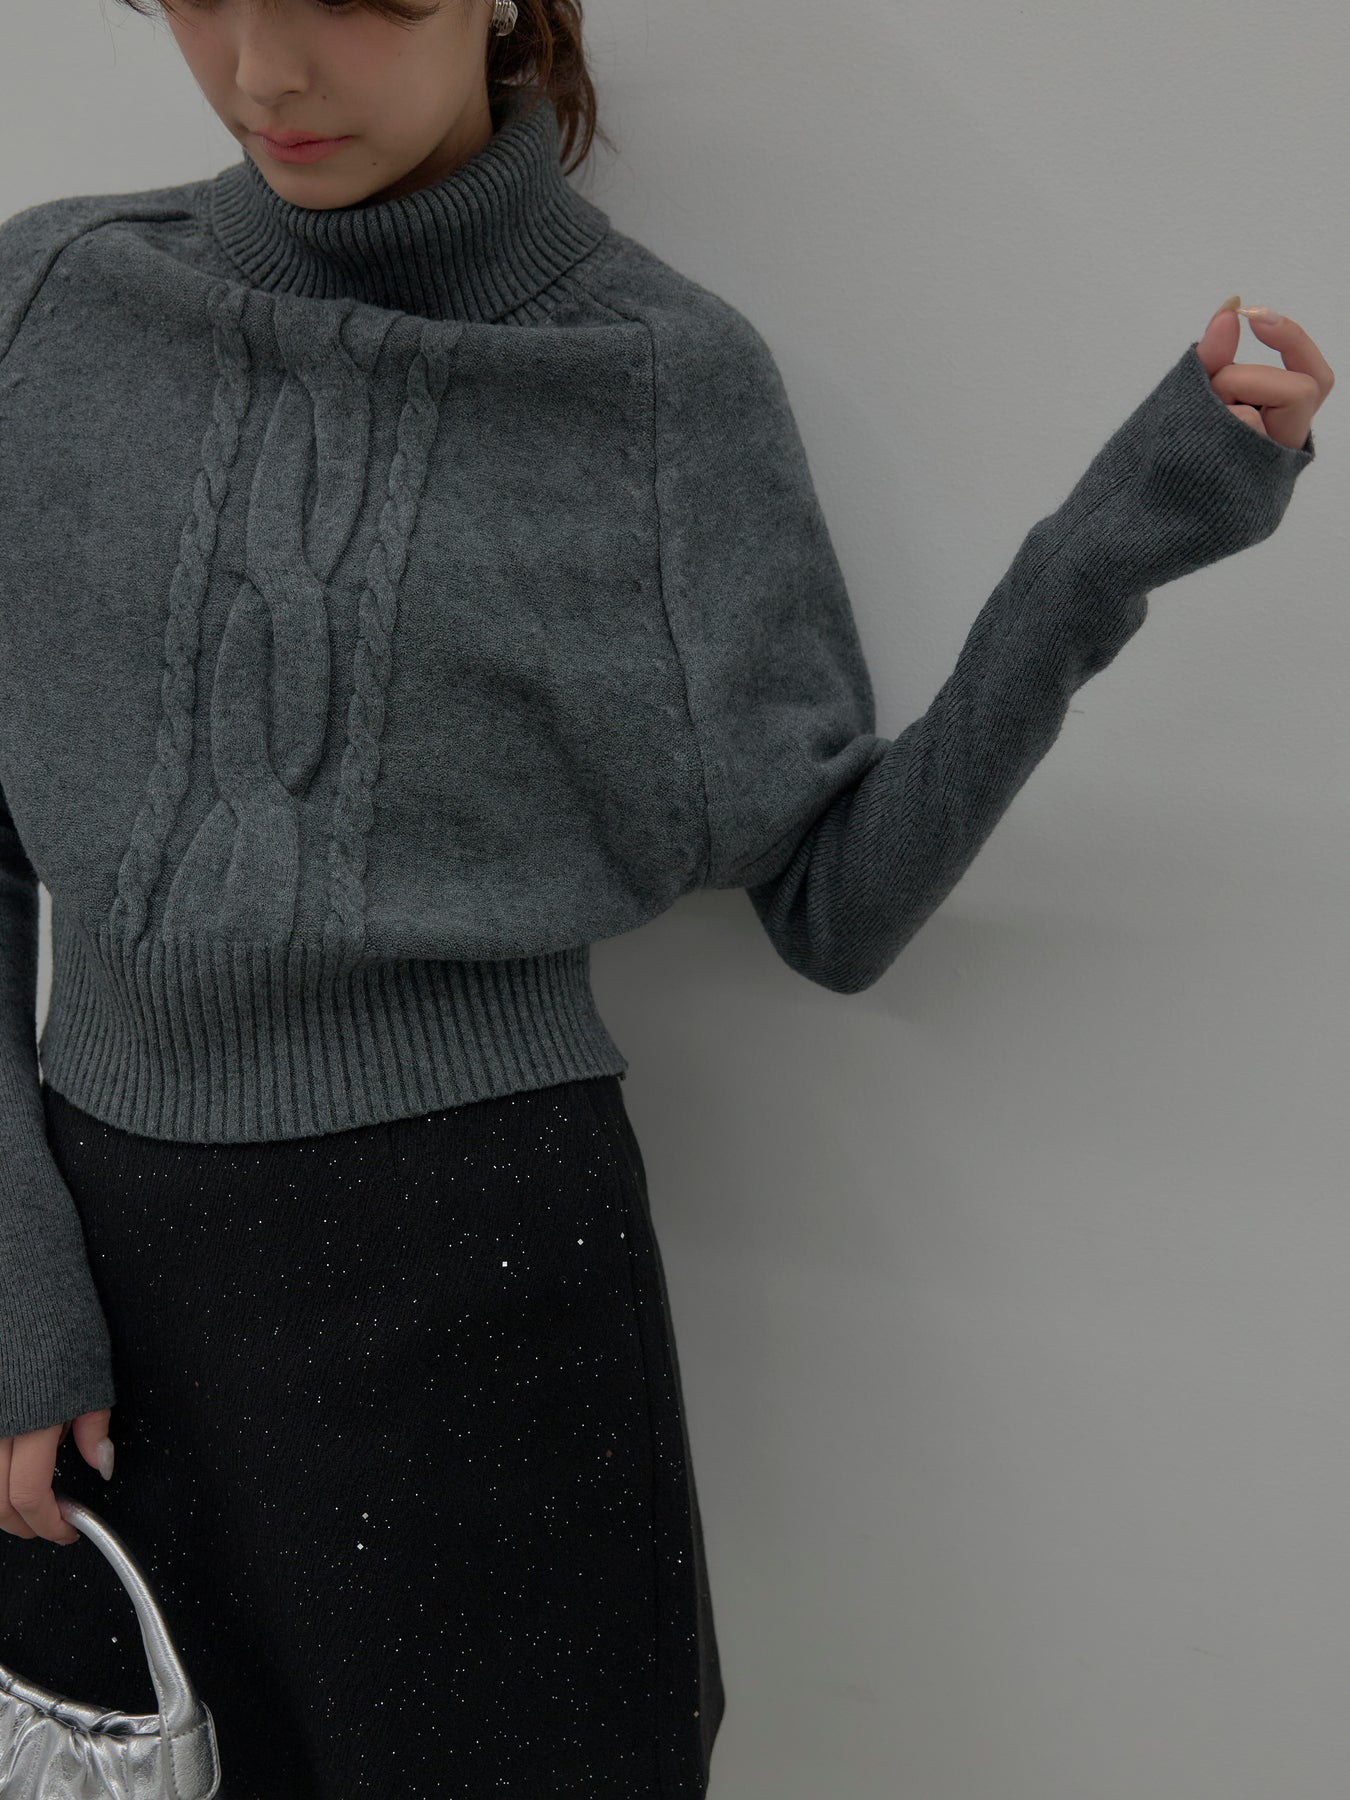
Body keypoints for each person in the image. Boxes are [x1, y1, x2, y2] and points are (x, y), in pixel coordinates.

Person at [0, 0, 1331, 1794]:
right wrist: (15, 1293)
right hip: (99, 1292)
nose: (265, 72)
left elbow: (835, 903)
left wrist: (1111, 545)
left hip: (474, 1293)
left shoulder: (654, 383)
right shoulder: (50, 302)